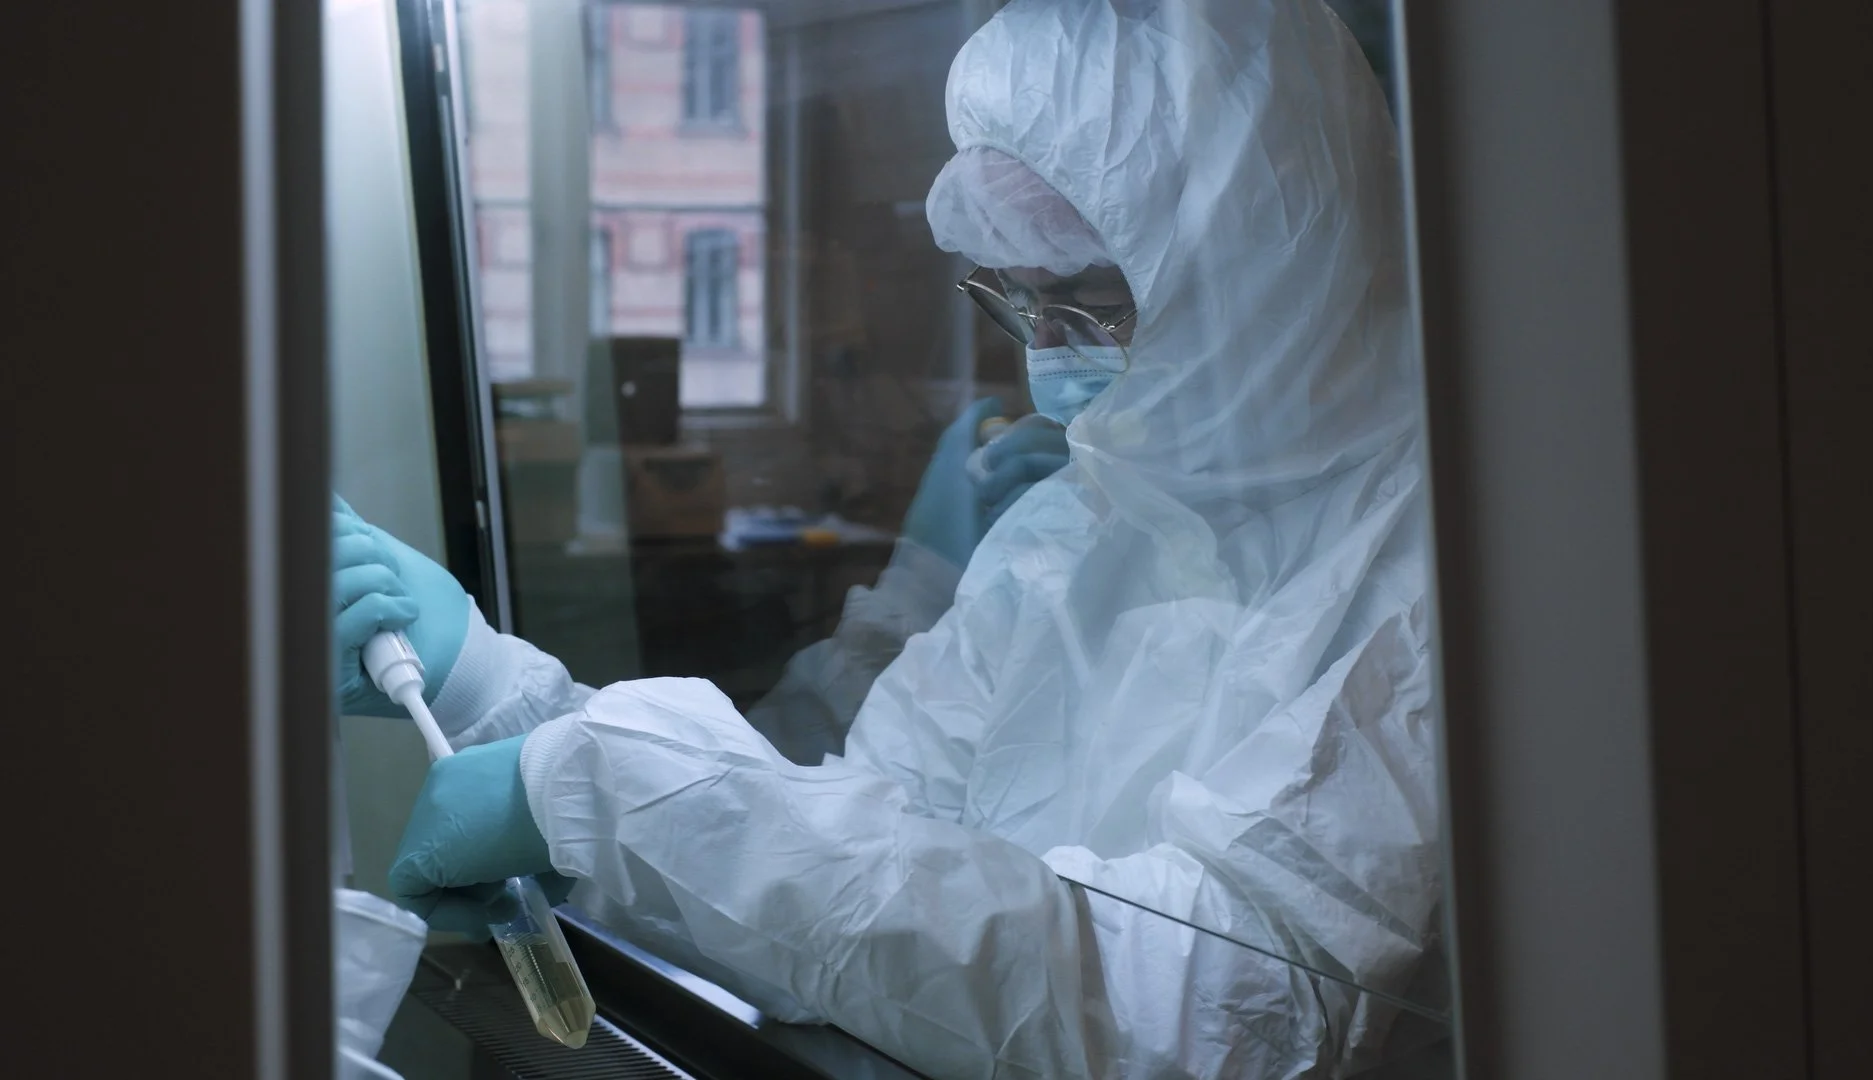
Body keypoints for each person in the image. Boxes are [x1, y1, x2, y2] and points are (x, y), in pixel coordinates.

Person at [347, 0, 1441, 1074]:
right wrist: (498, 696)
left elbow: (1219, 1016)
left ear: (1261, 273)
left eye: (1092, 302)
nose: (1047, 360)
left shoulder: (1433, 578)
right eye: (1016, 302)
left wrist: (599, 792)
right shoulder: (1070, 533)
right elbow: (850, 873)